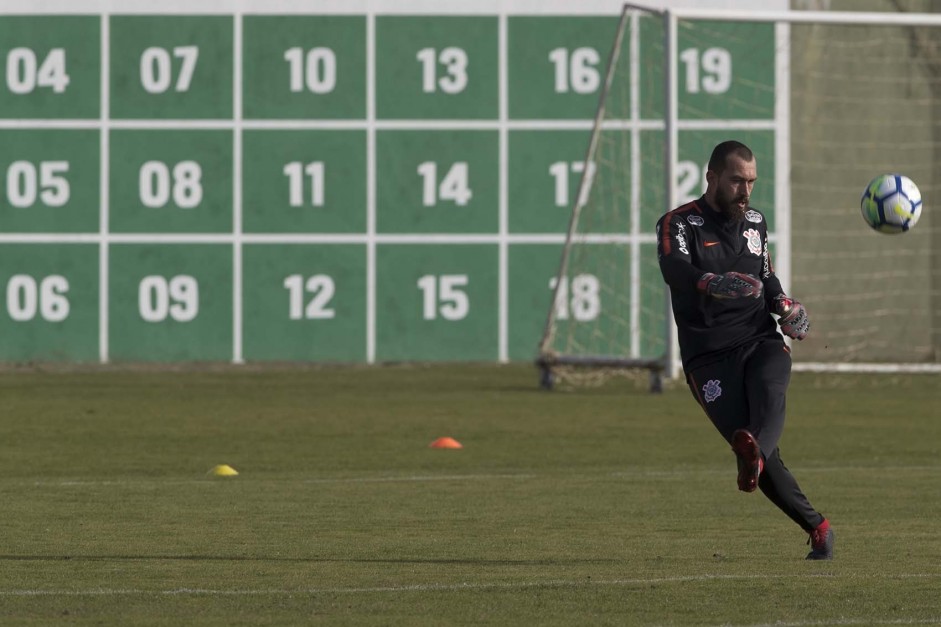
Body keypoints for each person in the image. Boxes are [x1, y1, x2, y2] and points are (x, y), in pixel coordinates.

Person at [655, 140, 833, 560]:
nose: (745, 190)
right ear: (712, 178)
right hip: (708, 359)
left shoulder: (755, 221)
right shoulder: (678, 223)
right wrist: (708, 282)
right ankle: (819, 528)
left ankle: (753, 452)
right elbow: (672, 268)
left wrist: (785, 305)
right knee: (760, 454)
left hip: (759, 339)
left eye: (751, 181)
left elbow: (766, 275)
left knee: (769, 399)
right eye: (737, 180)